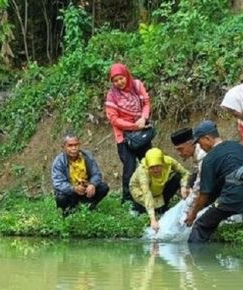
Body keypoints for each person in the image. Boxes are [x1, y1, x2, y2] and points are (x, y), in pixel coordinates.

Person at [184, 120, 243, 243]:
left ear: (207, 138)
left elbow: (204, 194)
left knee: (200, 226)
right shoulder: (237, 146)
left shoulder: (209, 160)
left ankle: (196, 259)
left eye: (200, 143)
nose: (200, 147)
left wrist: (193, 213)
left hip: (235, 199)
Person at [104, 63, 152, 208]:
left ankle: (152, 193)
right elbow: (113, 119)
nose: (119, 82)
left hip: (141, 132)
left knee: (149, 162)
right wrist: (132, 126)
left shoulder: (137, 85)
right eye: (115, 80)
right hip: (124, 136)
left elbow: (146, 103)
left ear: (126, 75)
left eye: (121, 78)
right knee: (129, 168)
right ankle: (127, 199)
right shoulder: (112, 95)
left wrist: (143, 118)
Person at [129, 147, 192, 232]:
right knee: (147, 212)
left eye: (158, 166)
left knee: (177, 177)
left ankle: (162, 204)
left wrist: (184, 186)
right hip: (141, 192)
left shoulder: (169, 161)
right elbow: (147, 193)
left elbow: (185, 173)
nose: (155, 170)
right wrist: (153, 219)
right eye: (152, 167)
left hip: (158, 189)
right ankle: (141, 208)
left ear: (162, 163)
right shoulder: (143, 171)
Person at [51, 132, 109, 215]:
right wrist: (73, 188)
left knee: (103, 187)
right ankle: (69, 211)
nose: (74, 148)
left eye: (76, 145)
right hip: (71, 191)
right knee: (61, 198)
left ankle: (89, 206)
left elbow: (96, 174)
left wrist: (92, 184)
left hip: (85, 188)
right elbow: (58, 183)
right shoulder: (59, 162)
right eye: (70, 145)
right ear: (63, 147)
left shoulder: (87, 156)